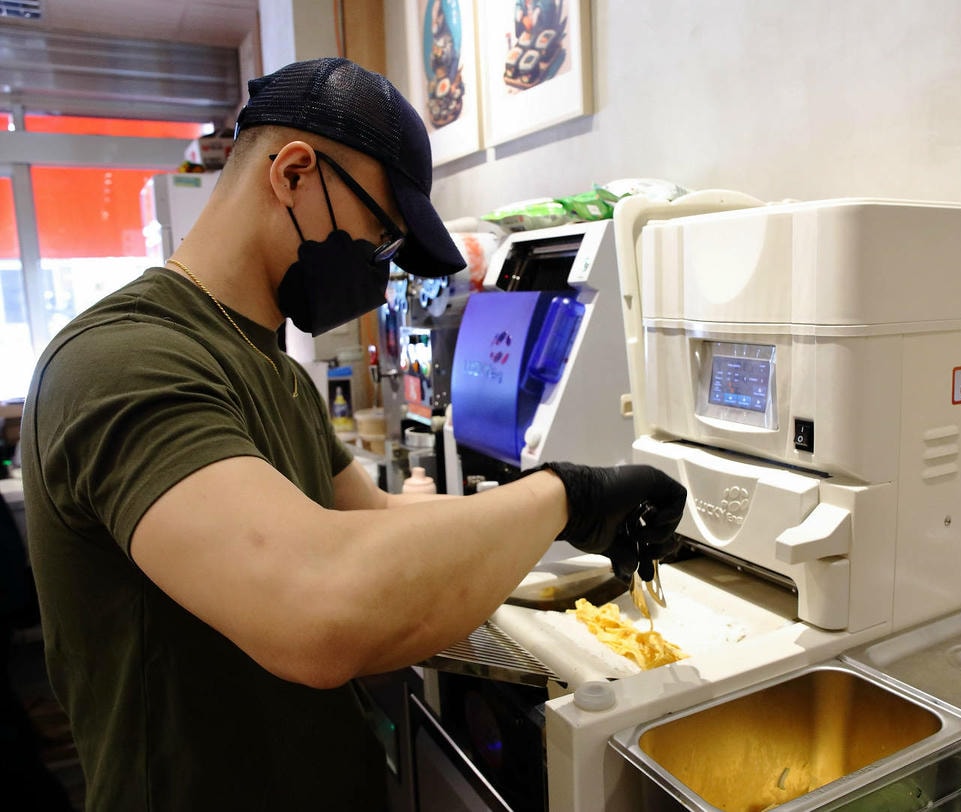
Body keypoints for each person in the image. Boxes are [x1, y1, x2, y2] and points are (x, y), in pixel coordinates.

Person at [20, 57, 685, 811]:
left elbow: (369, 520)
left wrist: (564, 512)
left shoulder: (273, 371)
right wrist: (562, 497)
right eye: (380, 242)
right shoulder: (124, 362)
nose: (380, 275)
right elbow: (318, 606)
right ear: (295, 174)